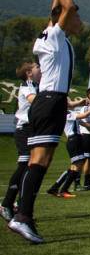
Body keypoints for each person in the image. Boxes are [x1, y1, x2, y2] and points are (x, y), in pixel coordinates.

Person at [8, 0, 83, 243]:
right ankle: (22, 216)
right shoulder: (54, 36)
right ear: (64, 19)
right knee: (38, 161)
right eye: (76, 17)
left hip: (52, 102)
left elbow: (58, 9)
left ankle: (23, 215)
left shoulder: (51, 35)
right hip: (50, 101)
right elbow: (67, 7)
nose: (78, 20)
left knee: (42, 160)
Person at [2, 63, 41, 219]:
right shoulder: (27, 86)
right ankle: (6, 204)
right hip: (23, 130)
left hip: (32, 130)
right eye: (37, 66)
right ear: (29, 73)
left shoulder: (37, 85)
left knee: (31, 166)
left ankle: (18, 203)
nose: (41, 68)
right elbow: (35, 101)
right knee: (24, 165)